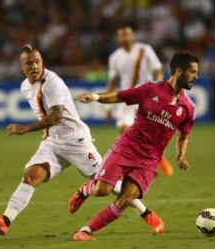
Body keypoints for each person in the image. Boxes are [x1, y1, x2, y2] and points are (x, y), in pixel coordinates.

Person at [0, 45, 164, 236]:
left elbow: (56, 117)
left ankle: (146, 213)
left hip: (76, 140)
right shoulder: (25, 86)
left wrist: (25, 129)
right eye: (29, 63)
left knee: (106, 185)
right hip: (52, 142)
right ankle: (5, 221)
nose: (34, 66)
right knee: (30, 176)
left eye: (37, 62)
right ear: (21, 68)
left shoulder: (52, 83)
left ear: (42, 62)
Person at [69, 51, 198, 241]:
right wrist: (96, 97)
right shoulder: (150, 89)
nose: (196, 77)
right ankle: (85, 190)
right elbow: (120, 96)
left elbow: (183, 135)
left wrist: (180, 156)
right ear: (179, 71)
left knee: (125, 199)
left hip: (149, 159)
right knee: (102, 190)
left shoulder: (188, 108)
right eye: (192, 72)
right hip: (126, 147)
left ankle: (85, 231)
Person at [107, 25, 174, 176]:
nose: (125, 37)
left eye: (128, 34)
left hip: (146, 96)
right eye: (122, 35)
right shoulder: (115, 57)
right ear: (118, 39)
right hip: (127, 98)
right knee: (125, 130)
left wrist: (158, 88)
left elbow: (157, 68)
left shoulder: (144, 49)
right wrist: (107, 108)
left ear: (133, 36)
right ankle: (127, 164)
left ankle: (153, 158)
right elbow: (112, 81)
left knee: (144, 132)